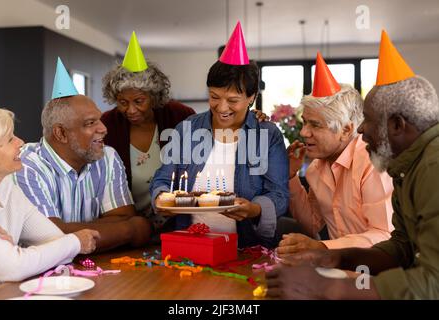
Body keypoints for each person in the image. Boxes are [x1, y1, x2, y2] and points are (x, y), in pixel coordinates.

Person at [266, 31, 439, 299]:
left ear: (397, 125)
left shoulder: (431, 167)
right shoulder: (408, 165)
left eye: (368, 120)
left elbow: (431, 283)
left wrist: (326, 284)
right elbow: (402, 247)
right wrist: (337, 257)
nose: (361, 129)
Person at [101, 32, 269, 240]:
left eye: (139, 101)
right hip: (132, 225)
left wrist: (249, 117)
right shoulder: (108, 124)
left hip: (176, 222)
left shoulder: (180, 116)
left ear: (153, 97)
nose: (131, 110)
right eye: (123, 102)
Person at [150, 22, 288, 248]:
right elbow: (163, 178)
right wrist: (161, 197)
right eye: (214, 97)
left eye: (233, 100)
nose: (222, 108)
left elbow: (279, 194)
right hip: (191, 245)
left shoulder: (268, 135)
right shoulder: (187, 129)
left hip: (246, 249)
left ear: (252, 97)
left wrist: (254, 209)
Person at [14, 58, 151, 252]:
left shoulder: (107, 157)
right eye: (90, 123)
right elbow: (49, 237)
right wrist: (130, 230)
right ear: (61, 133)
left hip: (97, 269)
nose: (103, 129)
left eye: (100, 120)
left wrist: (70, 234)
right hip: (38, 278)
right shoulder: (26, 165)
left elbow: (124, 216)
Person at [277, 53, 394, 256]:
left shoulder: (372, 162)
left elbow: (385, 235)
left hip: (381, 273)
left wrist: (323, 247)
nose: (304, 132)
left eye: (315, 125)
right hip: (341, 269)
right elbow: (312, 224)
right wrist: (291, 177)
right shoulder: (316, 168)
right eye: (305, 122)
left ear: (346, 130)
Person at [0, 107, 99, 287]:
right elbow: (14, 268)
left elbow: (57, 241)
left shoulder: (7, 187)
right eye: (10, 139)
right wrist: (76, 241)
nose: (21, 142)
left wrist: (18, 255)